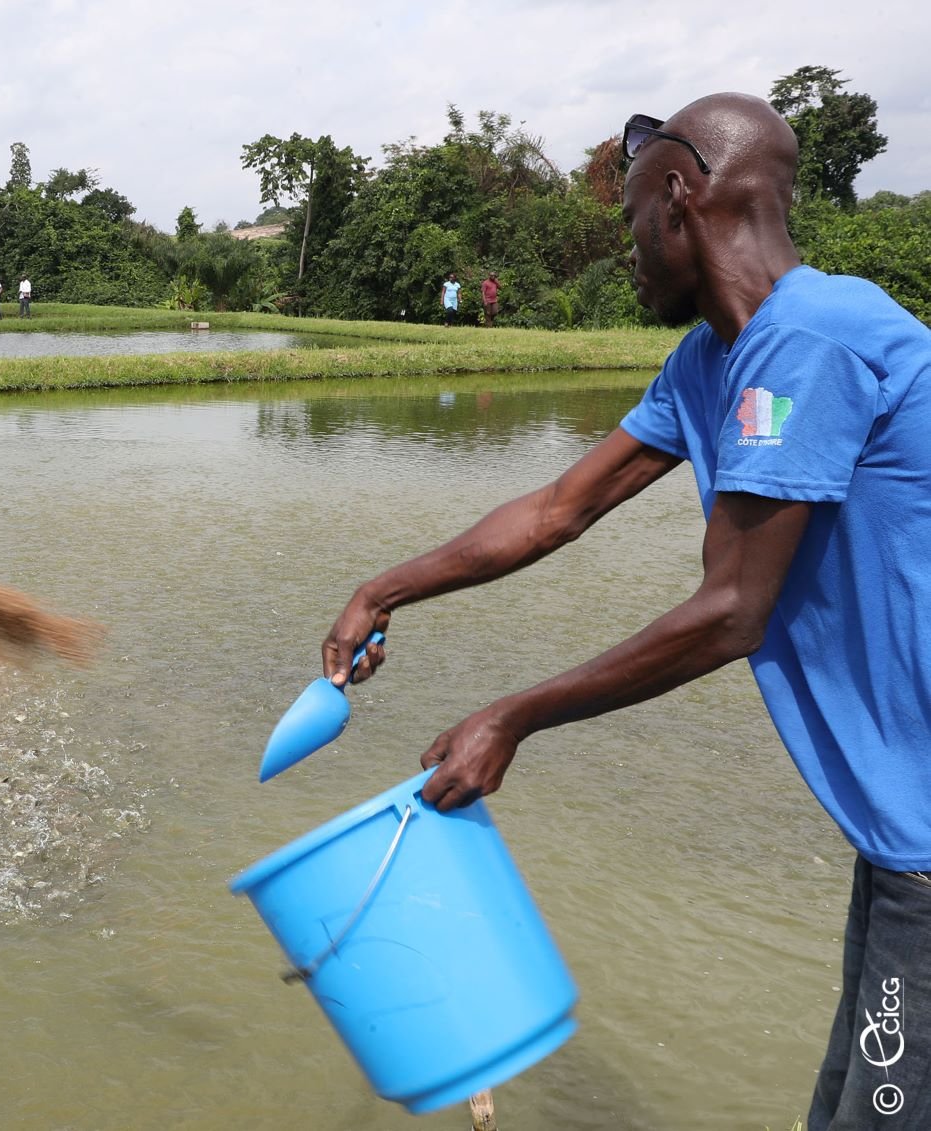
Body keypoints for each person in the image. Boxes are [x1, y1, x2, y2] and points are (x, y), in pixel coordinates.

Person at [319, 92, 931, 1130]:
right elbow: (559, 509)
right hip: (899, 836)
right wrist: (382, 590)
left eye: (630, 221)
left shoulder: (816, 339)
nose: (626, 254)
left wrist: (511, 717)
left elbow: (732, 609)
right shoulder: (711, 364)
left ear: (678, 198)